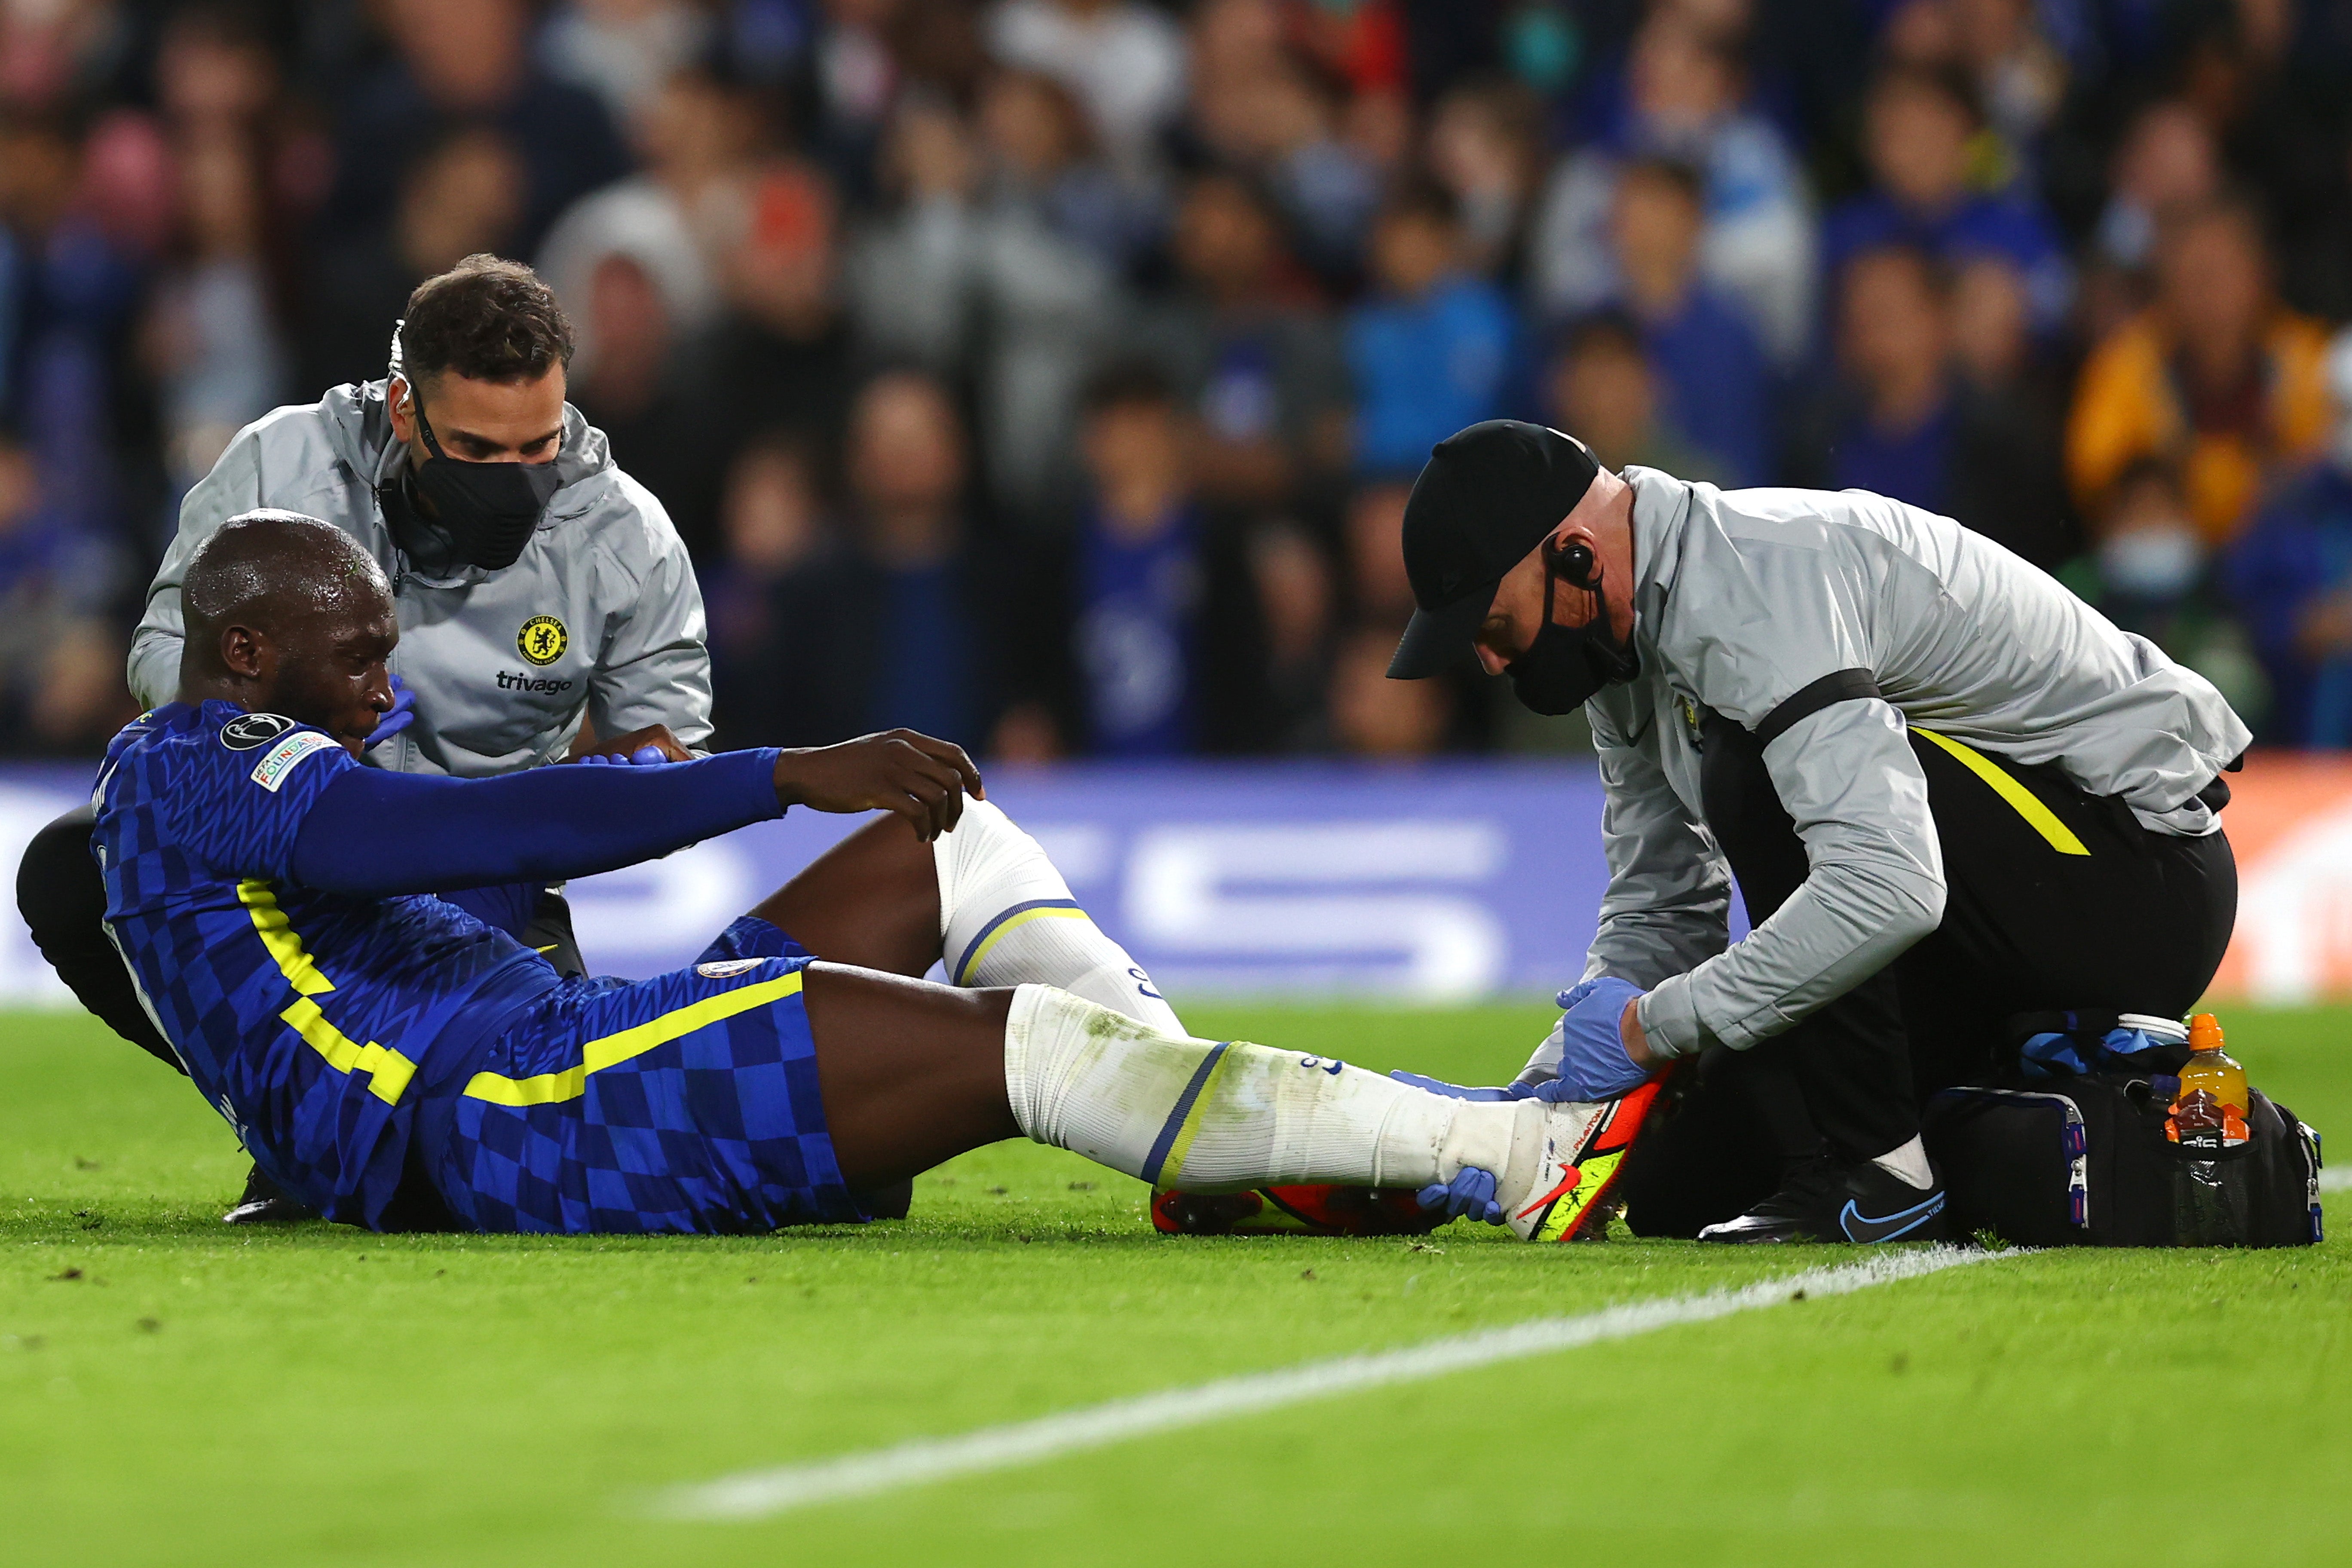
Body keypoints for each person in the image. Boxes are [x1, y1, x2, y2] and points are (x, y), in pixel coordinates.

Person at [91, 510, 1635, 1244]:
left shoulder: (261, 790)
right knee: (1021, 1049)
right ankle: (1508, 1149)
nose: (388, 683)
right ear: (245, 656)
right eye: (357, 655)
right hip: (507, 1122)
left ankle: (1223, 1165)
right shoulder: (189, 765)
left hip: (554, 1065)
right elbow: (454, 838)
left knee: (942, 833)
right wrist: (776, 772)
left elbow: (432, 886)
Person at [1383, 421, 2246, 1243]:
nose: (1490, 661)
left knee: (1749, 764)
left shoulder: (1754, 580)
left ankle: (1881, 1173)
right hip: (1993, 898)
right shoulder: (1615, 639)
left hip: (2136, 872)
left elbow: (1887, 883)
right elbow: (1664, 902)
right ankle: (1953, 1114)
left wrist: (1650, 1029)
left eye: (1494, 624)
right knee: (1669, 1183)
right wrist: (1535, 1112)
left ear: (1576, 553)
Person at [20, 254, 707, 1222]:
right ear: (403, 409)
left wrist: (602, 783)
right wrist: (288, 738)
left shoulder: (626, 539)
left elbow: (665, 751)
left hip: (482, 865)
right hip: (281, 844)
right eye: (476, 450)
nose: (515, 482)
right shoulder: (280, 464)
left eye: (539, 449)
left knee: (564, 1121)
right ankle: (292, 1115)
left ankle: (384, 1120)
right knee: (67, 871)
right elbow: (166, 653)